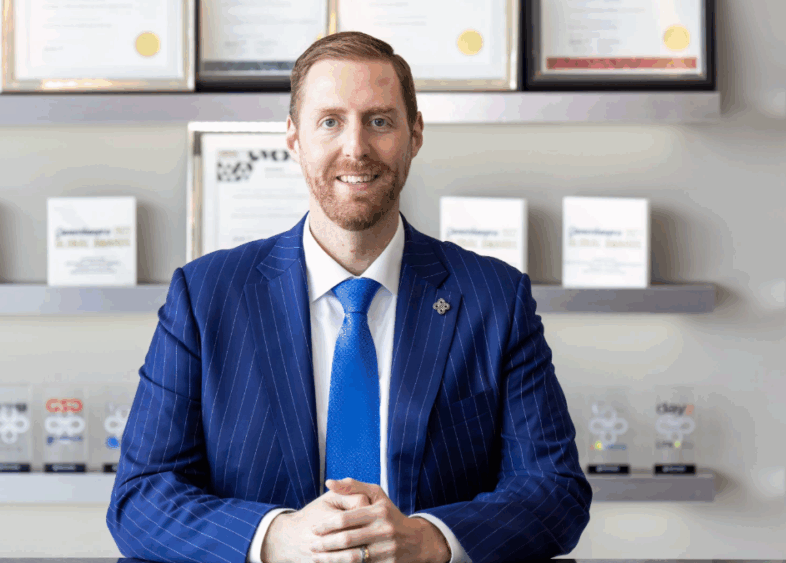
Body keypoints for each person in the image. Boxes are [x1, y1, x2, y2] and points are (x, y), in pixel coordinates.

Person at [107, 31, 591, 563]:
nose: (356, 147)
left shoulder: (496, 298)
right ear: (294, 137)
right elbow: (140, 498)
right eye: (330, 121)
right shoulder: (206, 297)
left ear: (415, 134)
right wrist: (275, 538)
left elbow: (556, 491)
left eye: (380, 121)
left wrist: (429, 540)